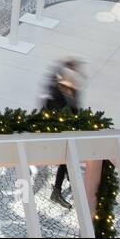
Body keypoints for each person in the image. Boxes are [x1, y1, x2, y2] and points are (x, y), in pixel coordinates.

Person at [42, 61, 84, 207]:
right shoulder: (57, 94)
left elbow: (76, 110)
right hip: (56, 132)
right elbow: (48, 111)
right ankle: (57, 191)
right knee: (66, 159)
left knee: (68, 158)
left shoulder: (70, 92)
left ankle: (68, 180)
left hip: (66, 131)